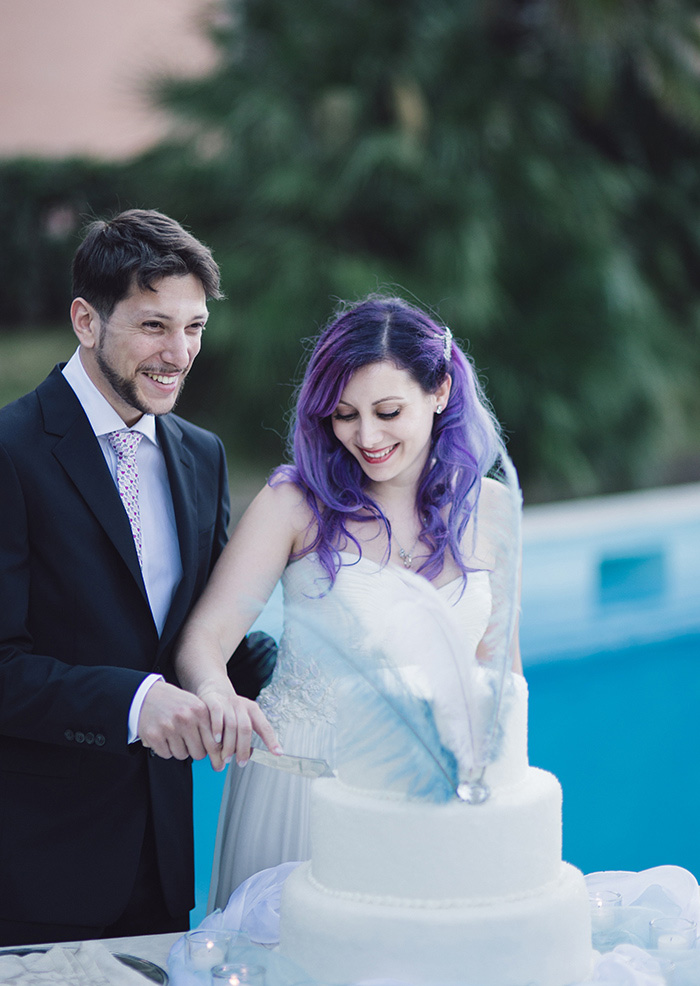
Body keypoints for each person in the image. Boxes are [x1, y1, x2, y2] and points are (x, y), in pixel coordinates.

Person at [175, 295, 523, 911]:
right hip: (299, 796)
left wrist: (500, 801)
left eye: (388, 411)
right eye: (343, 414)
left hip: (428, 803)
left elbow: (502, 676)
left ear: (439, 391)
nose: (366, 436)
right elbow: (205, 639)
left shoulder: (492, 510)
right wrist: (214, 691)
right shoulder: (294, 503)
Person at [0, 209, 279, 947]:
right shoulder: (9, 453)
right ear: (86, 320)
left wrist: (307, 674)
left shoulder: (203, 455)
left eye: (194, 328)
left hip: (161, 869)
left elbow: (201, 638)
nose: (180, 353)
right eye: (155, 326)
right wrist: (134, 703)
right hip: (33, 873)